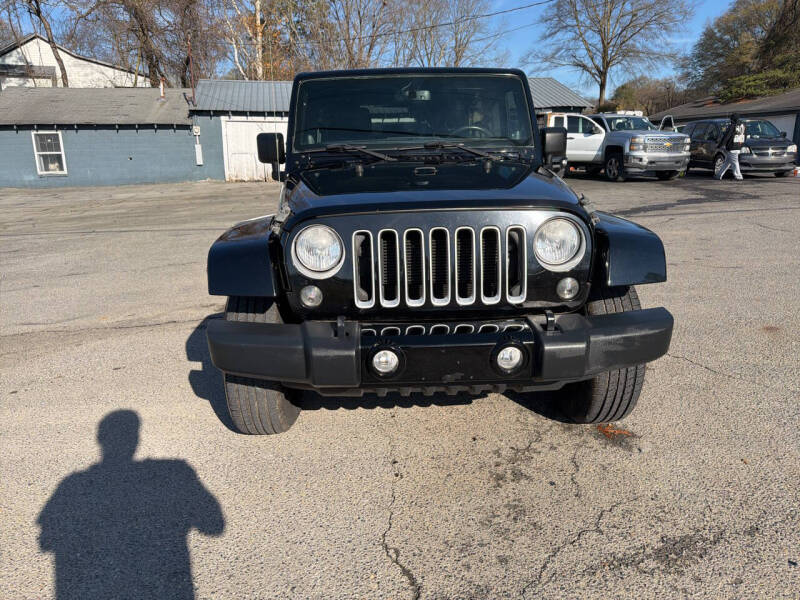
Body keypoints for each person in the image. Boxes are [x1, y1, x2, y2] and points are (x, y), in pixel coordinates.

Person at [38, 411, 224, 599]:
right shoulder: (177, 471)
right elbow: (214, 526)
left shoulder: (72, 484)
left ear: (100, 439)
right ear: (136, 438)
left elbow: (46, 541)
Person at [715, 112, 746, 180]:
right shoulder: (742, 126)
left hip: (732, 146)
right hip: (738, 145)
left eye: (731, 119)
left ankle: (739, 176)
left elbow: (727, 136)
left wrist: (720, 145)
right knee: (727, 162)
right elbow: (744, 136)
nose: (730, 120)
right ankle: (719, 175)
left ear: (733, 119)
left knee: (735, 162)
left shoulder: (732, 126)